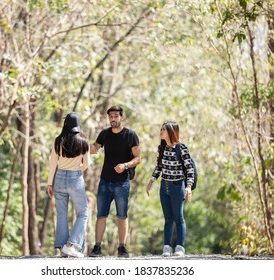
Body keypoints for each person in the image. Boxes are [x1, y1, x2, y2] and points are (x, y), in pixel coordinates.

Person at [89, 106, 141, 258]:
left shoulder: (130, 135)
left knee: (122, 216)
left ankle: (122, 247)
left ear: (122, 117)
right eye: (111, 116)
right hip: (105, 181)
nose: (113, 119)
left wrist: (125, 165)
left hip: (122, 183)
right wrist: (80, 143)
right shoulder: (105, 134)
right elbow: (94, 148)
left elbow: (138, 158)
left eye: (116, 116)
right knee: (101, 215)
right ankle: (97, 247)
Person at [146, 121, 194, 257]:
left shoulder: (181, 148)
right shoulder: (162, 148)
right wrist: (151, 181)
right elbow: (159, 167)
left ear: (171, 132)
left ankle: (180, 247)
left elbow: (189, 168)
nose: (161, 132)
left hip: (178, 187)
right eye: (161, 129)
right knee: (168, 218)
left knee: (178, 217)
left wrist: (189, 186)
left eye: (164, 130)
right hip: (164, 186)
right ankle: (167, 247)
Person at [47, 112, 90, 258]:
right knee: (83, 213)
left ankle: (62, 248)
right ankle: (70, 245)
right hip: (75, 178)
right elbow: (87, 164)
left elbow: (53, 163)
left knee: (61, 214)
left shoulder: (58, 141)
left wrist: (49, 183)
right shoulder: (83, 141)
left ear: (65, 125)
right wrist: (78, 169)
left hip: (59, 178)